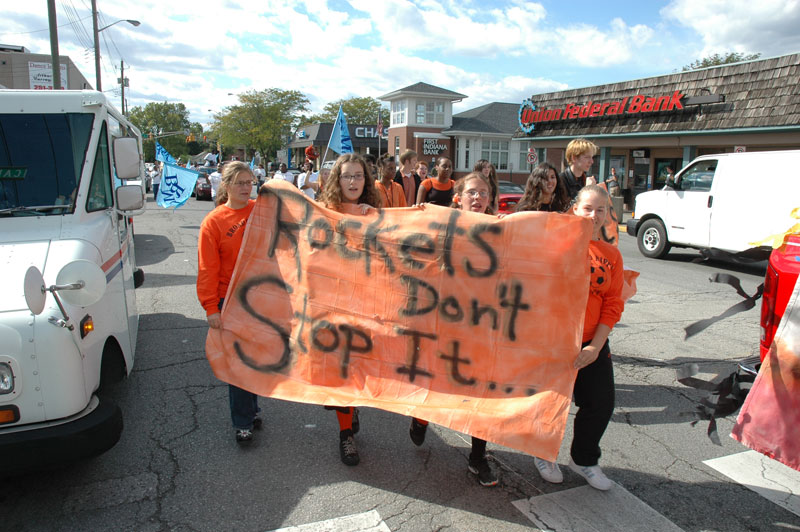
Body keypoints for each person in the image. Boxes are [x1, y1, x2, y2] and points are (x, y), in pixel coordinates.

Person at [408, 171, 500, 487]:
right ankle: (421, 417)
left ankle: (478, 457)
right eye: (472, 192)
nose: (478, 198)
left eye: (484, 193)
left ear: (490, 199)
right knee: (437, 383)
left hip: (483, 326)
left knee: (483, 394)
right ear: (459, 197)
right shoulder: (441, 225)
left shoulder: (502, 229)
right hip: (444, 322)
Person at [532, 184, 624, 491]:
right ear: (575, 209)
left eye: (600, 209)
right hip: (553, 340)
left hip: (592, 343)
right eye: (588, 208)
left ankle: (584, 459)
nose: (594, 215)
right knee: (549, 403)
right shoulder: (553, 244)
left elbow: (613, 303)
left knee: (601, 403)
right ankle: (542, 453)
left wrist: (596, 345)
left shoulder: (611, 254)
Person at [318, 153, 381, 466]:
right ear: (337, 180)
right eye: (347, 176)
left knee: (359, 367)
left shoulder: (375, 213)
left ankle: (351, 411)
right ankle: (346, 435)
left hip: (366, 305)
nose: (353, 182)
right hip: (333, 305)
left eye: (358, 176)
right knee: (342, 368)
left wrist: (376, 220)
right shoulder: (323, 212)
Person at [196, 161, 262, 443]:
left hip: (259, 298)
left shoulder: (261, 210)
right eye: (240, 183)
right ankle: (242, 421)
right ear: (226, 186)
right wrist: (211, 307)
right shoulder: (214, 221)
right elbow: (207, 268)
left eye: (250, 182)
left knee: (256, 358)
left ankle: (252, 408)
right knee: (238, 363)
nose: (247, 188)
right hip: (229, 300)